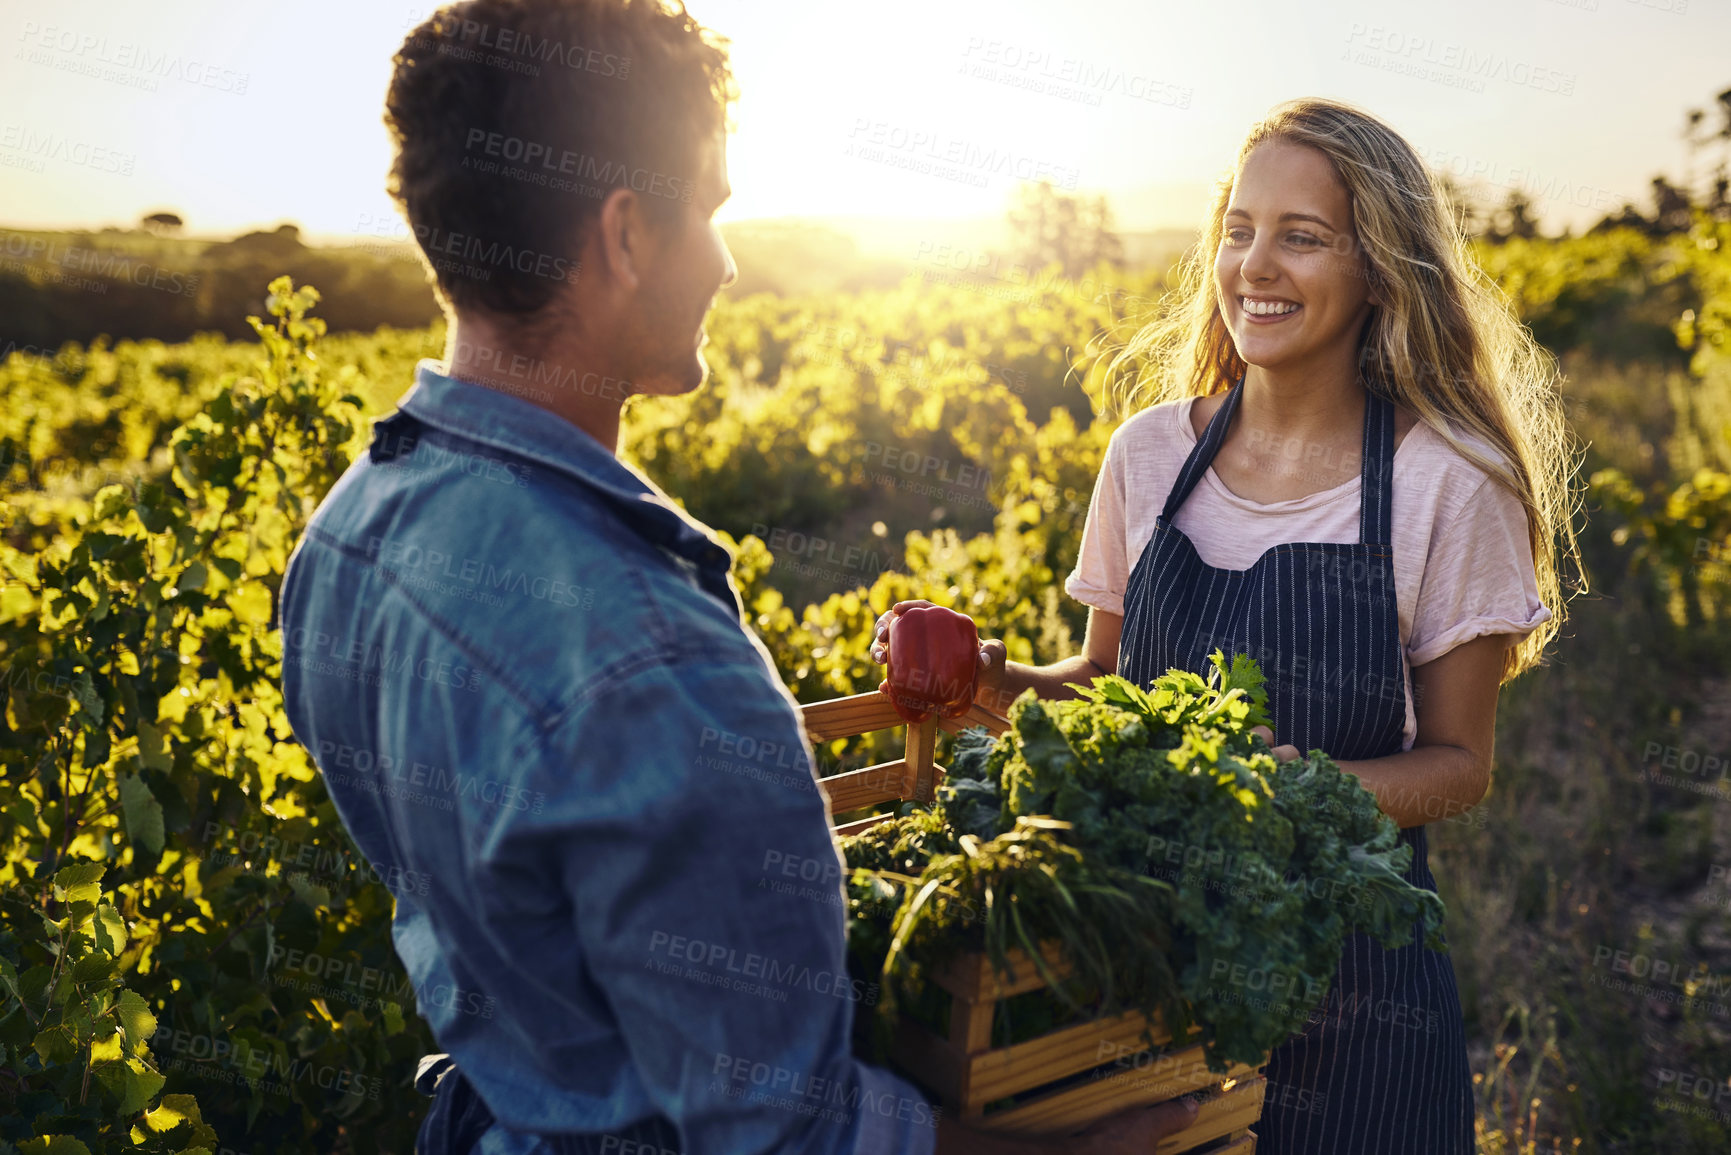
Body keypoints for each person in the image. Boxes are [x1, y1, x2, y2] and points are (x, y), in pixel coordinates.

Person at [278, 1, 1198, 1152]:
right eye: (709, 206)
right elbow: (787, 1140)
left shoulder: (348, 539)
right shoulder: (658, 659)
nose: (724, 257)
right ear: (624, 234)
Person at [875, 97, 1576, 1154]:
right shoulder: (1149, 456)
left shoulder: (1447, 483)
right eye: (1239, 231)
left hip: (1353, 983)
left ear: (1381, 268)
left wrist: (1287, 794)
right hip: (1147, 985)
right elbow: (1100, 684)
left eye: (1302, 237)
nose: (1257, 265)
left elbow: (1459, 765)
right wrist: (991, 677)